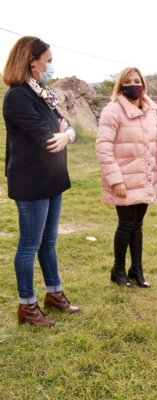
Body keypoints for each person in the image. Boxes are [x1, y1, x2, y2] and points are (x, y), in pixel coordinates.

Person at [2, 36, 80, 327]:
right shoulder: (18, 97)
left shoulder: (43, 92)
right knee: (29, 244)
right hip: (31, 180)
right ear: (32, 62)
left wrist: (67, 134)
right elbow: (46, 137)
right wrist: (60, 134)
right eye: (47, 60)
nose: (50, 65)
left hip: (52, 176)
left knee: (49, 241)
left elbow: (67, 126)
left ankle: (54, 294)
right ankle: (27, 305)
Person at [96, 67, 157, 289]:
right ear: (120, 85)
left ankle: (136, 269)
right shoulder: (112, 111)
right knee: (126, 224)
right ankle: (118, 269)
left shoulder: (151, 112)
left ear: (143, 85)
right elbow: (103, 148)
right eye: (128, 81)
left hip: (146, 177)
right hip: (125, 179)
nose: (133, 84)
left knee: (138, 225)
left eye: (137, 80)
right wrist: (115, 180)